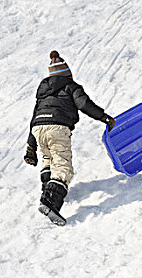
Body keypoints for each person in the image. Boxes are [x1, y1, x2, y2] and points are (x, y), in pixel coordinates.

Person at [24, 50, 115, 225]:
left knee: (48, 158)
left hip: (38, 128)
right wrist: (104, 118)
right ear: (67, 74)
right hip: (58, 127)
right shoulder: (71, 86)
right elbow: (84, 104)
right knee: (63, 165)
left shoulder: (43, 92)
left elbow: (34, 117)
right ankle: (50, 202)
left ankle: (47, 188)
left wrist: (30, 147)